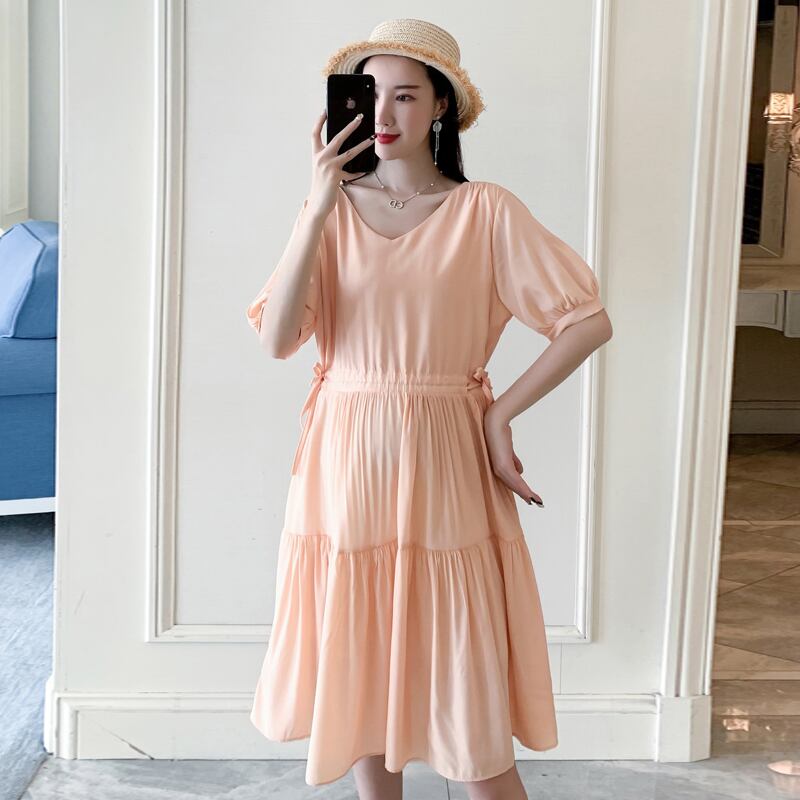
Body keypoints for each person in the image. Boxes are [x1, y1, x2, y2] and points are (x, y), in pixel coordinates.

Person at [245, 18, 613, 800]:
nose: (383, 113)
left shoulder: (486, 211)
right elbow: (278, 340)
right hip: (345, 456)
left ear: (442, 106)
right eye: (369, 93)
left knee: (464, 690)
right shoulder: (328, 210)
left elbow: (586, 323)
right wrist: (317, 204)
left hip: (445, 451)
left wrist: (499, 415)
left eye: (406, 95)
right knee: (362, 676)